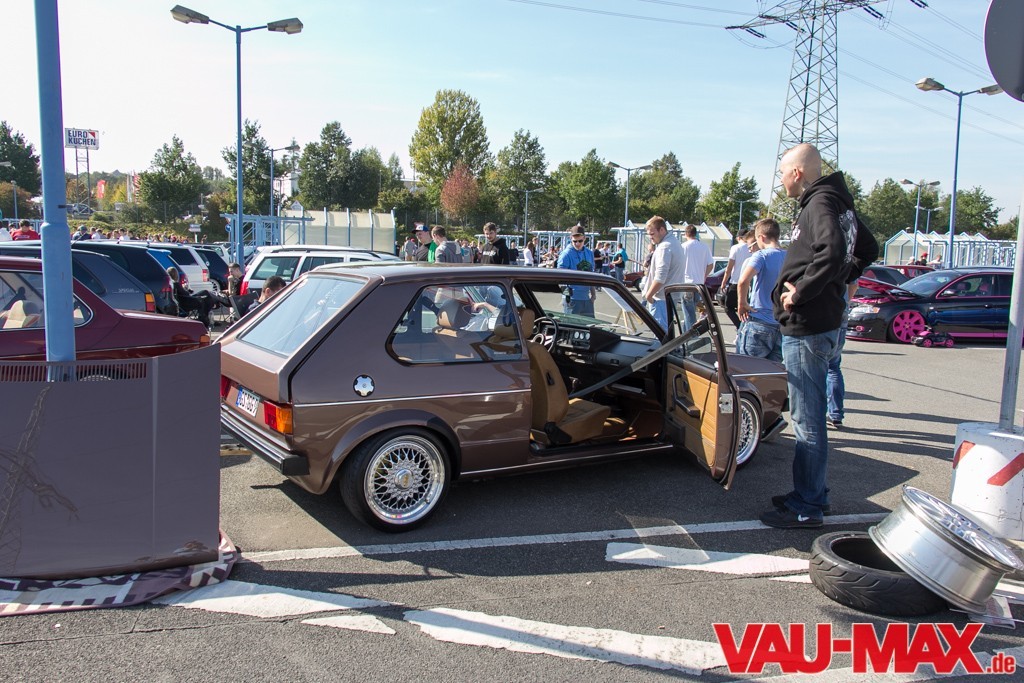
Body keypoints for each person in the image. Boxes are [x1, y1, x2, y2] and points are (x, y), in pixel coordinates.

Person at [761, 143, 878, 529]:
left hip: (809, 326)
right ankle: (813, 494)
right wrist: (839, 278)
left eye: (782, 173)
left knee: (807, 418)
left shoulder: (821, 203)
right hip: (819, 323)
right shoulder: (836, 202)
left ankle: (807, 505)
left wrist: (802, 291)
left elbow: (833, 250)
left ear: (797, 172)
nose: (781, 180)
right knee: (809, 415)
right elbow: (867, 248)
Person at [736, 218, 786, 363]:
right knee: (771, 371)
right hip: (781, 323)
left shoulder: (761, 256)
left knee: (747, 368)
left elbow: (743, 280)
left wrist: (742, 303)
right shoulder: (790, 256)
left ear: (762, 237)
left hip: (759, 320)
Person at [642, 216, 686, 330]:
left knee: (660, 334)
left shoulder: (664, 247)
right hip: (671, 296)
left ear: (662, 230)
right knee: (666, 332)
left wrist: (649, 295)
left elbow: (660, 276)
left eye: (652, 234)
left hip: (661, 298)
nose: (650, 237)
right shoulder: (675, 243)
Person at [826, 282, 857, 428]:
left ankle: (816, 414)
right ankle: (835, 414)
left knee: (817, 368)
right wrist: (845, 302)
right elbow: (854, 285)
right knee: (833, 367)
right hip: (841, 312)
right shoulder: (847, 265)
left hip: (824, 313)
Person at [678, 224, 714, 330]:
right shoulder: (704, 247)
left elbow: (678, 264)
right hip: (699, 283)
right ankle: (685, 334)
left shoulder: (683, 247)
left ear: (686, 234)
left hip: (686, 283)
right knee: (692, 309)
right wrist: (704, 275)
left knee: (688, 311)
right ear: (696, 233)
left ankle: (691, 335)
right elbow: (710, 265)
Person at [557, 226, 596, 316]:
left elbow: (592, 275)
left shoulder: (589, 253)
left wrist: (593, 294)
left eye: (580, 241)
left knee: (590, 324)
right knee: (571, 324)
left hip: (586, 298)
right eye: (575, 241)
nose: (577, 243)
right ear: (571, 238)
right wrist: (567, 297)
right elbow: (560, 279)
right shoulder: (566, 254)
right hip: (572, 299)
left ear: (584, 238)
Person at [721, 229, 754, 327]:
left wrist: (724, 282)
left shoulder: (735, 248)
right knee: (745, 307)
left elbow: (729, 267)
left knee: (728, 307)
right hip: (749, 282)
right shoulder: (752, 247)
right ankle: (744, 325)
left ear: (738, 238)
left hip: (736, 281)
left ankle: (740, 326)